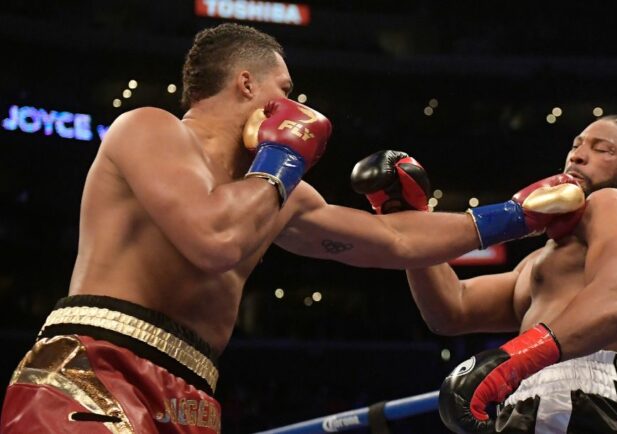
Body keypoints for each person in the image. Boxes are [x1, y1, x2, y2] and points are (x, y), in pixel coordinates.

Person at [0, 23, 583, 434]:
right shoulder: (150, 130)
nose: (294, 104)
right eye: (285, 90)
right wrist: (284, 160)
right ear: (247, 84)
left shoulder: (272, 189)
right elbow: (213, 240)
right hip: (95, 369)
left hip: (192, 393)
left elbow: (397, 243)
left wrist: (517, 215)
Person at [355, 115, 617, 433]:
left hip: (581, 395)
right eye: (576, 145)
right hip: (531, 397)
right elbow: (452, 309)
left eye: (603, 150)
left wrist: (510, 361)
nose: (578, 155)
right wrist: (405, 214)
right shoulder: (541, 260)